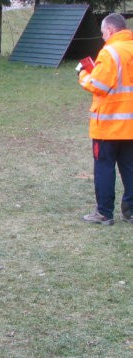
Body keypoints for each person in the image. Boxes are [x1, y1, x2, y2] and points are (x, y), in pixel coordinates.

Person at [78, 13, 133, 225]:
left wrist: (83, 75)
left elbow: (98, 85)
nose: (102, 38)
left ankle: (104, 213)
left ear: (109, 31)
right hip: (130, 124)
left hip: (109, 123)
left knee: (104, 167)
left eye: (103, 34)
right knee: (129, 167)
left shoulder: (110, 52)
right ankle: (130, 210)